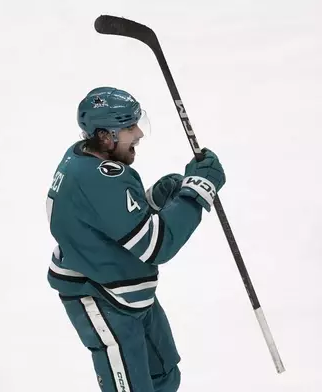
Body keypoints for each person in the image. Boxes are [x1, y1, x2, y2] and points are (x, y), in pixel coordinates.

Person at [45, 86, 226, 391]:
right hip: (100, 296)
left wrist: (156, 200)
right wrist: (197, 192)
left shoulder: (84, 160)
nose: (139, 133)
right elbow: (156, 244)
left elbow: (109, 221)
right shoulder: (102, 177)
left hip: (127, 292)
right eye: (129, 126)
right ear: (105, 136)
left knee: (164, 375)